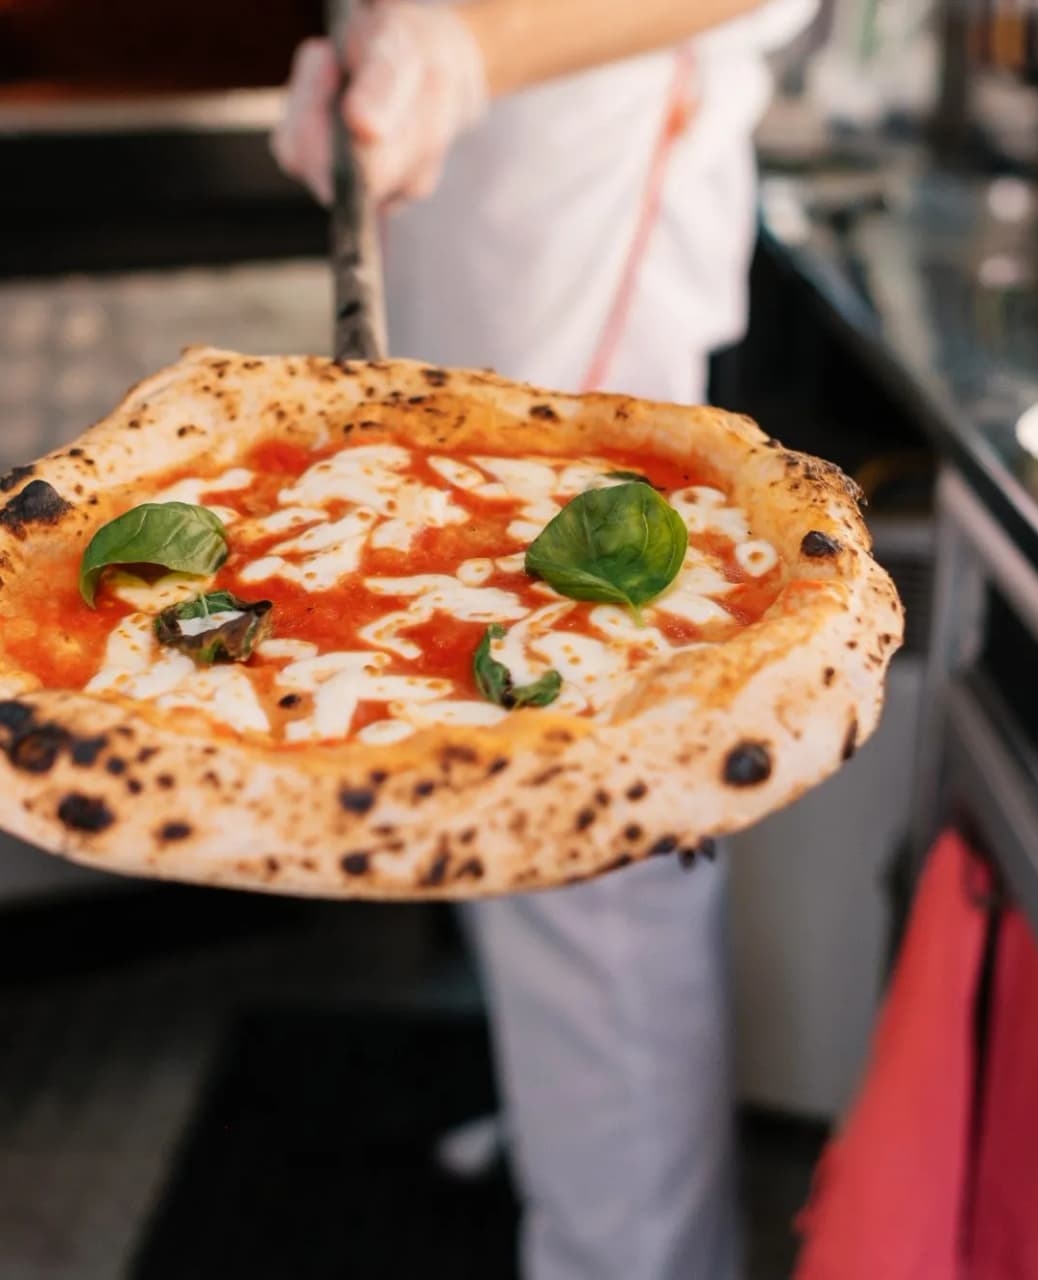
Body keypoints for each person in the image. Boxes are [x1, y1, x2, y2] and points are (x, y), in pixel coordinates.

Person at [273, 3, 816, 1277]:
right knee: (457, 708)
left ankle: (627, 1243)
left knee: (583, 811)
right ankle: (559, 1133)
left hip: (580, 170)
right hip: (463, 171)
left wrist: (465, 49)